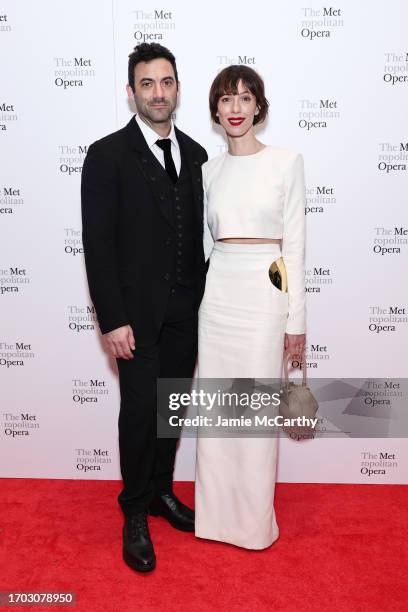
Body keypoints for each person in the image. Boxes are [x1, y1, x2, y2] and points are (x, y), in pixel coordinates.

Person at [81, 43, 208, 572]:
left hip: (185, 309)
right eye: (147, 84)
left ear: (178, 88)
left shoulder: (198, 154)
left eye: (167, 82)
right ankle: (133, 510)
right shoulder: (106, 154)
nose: (159, 93)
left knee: (170, 408)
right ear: (131, 92)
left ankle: (160, 492)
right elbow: (98, 243)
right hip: (134, 317)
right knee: (138, 415)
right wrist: (111, 320)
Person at [195, 65, 307, 549]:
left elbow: (296, 247)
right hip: (218, 296)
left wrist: (296, 318)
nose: (235, 108)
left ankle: (254, 527)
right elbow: (203, 246)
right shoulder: (208, 170)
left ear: (258, 106)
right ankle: (216, 521)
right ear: (216, 109)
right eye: (226, 99)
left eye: (245, 98)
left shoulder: (286, 161)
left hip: (265, 295)